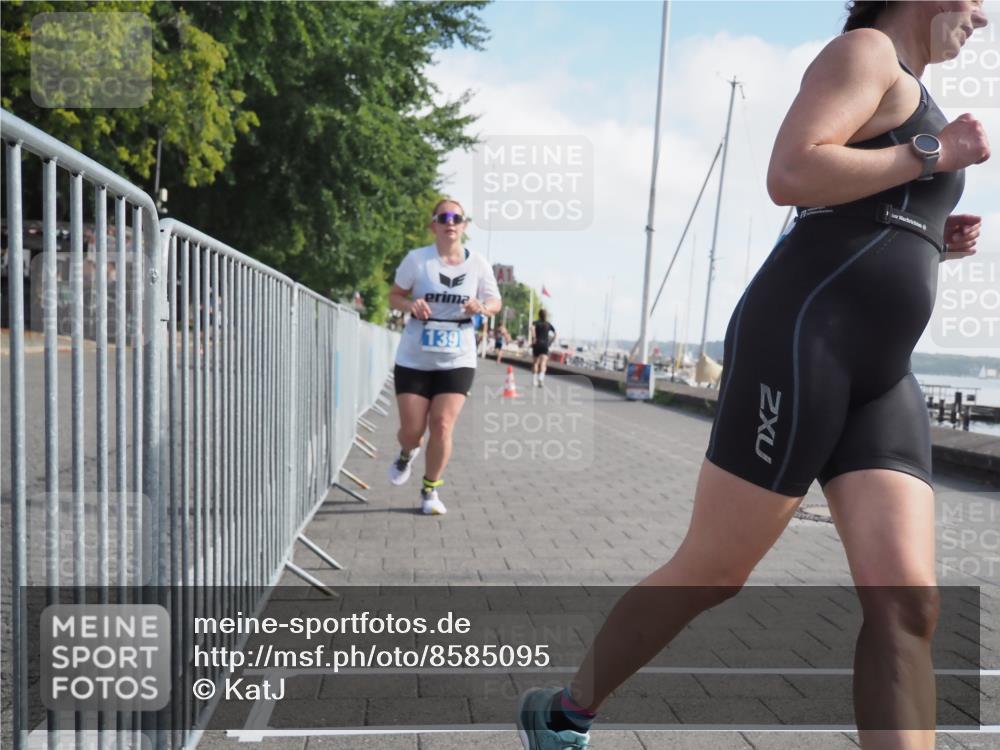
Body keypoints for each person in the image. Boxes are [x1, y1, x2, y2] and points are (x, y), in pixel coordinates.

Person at [517, 1, 989, 748]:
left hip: (882, 375)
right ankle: (566, 710)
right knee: (716, 569)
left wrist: (928, 231)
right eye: (976, 0)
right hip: (802, 348)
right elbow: (793, 170)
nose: (986, 18)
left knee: (909, 605)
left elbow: (861, 199)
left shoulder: (915, 92)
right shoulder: (867, 53)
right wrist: (935, 153)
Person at [387, 199, 502, 515]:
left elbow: (495, 302)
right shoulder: (417, 261)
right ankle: (407, 452)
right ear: (434, 225)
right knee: (412, 431)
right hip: (415, 356)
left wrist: (482, 307)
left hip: (458, 355)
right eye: (443, 217)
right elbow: (394, 295)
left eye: (457, 217)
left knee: (441, 425)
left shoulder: (478, 264)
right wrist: (411, 306)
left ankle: (430, 491)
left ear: (464, 226)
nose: (450, 222)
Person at [529, 309, 556, 387]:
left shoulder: (535, 323)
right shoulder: (548, 324)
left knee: (536, 363)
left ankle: (534, 381)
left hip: (537, 344)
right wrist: (550, 342)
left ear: (539, 315)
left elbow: (532, 329)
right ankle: (541, 378)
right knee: (543, 363)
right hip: (545, 345)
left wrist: (534, 338)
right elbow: (555, 334)